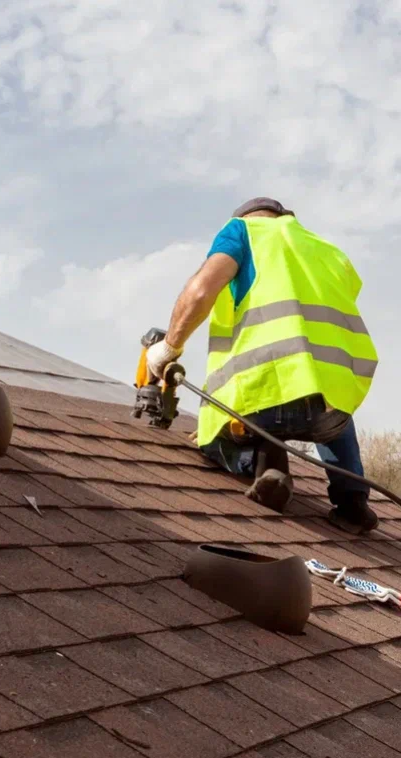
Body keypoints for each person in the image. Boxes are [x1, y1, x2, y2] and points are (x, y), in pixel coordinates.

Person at [146, 197, 379, 533]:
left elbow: (200, 292)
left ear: (249, 218)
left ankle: (267, 464)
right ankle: (353, 502)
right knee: (334, 413)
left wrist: (168, 348)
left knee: (212, 438)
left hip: (263, 399)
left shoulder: (242, 232)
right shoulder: (325, 249)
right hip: (331, 403)